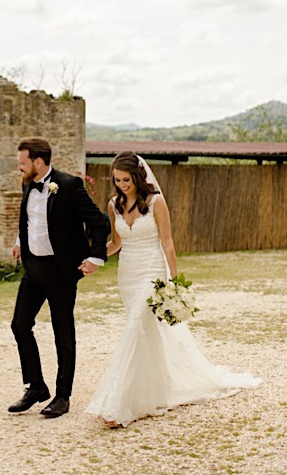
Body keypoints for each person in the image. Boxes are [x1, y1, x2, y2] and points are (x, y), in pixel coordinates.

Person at [85, 151, 261, 427]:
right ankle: (151, 392)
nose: (121, 184)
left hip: (152, 273)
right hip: (128, 274)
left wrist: (175, 281)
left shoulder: (155, 202)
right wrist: (94, 258)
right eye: (117, 180)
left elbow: (167, 242)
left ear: (138, 175)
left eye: (126, 179)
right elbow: (117, 242)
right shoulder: (113, 204)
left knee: (135, 326)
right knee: (143, 333)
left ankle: (120, 405)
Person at [9, 137, 111, 418]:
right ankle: (36, 386)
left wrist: (95, 257)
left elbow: (99, 221)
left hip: (61, 271)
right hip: (33, 269)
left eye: (22, 162)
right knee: (19, 325)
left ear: (38, 162)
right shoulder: (27, 184)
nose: (19, 167)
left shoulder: (68, 185)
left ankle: (62, 396)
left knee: (62, 332)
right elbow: (32, 220)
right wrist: (20, 239)